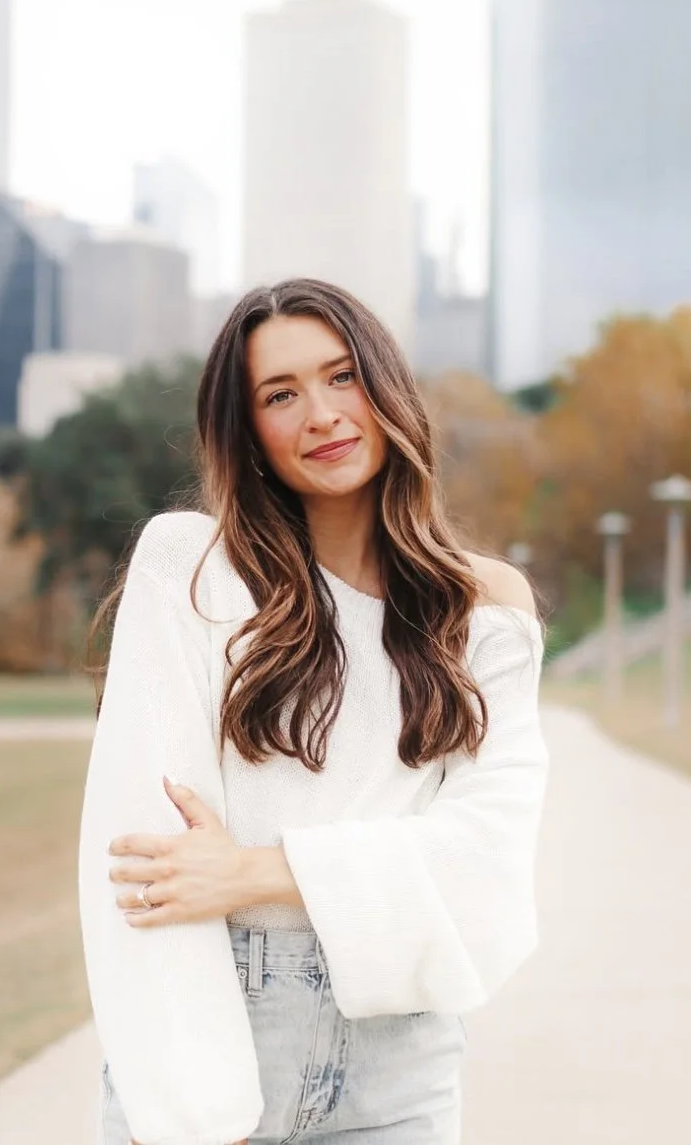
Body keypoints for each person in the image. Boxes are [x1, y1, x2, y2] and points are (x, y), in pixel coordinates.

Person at [78, 277, 549, 1145]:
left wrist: (256, 871)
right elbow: (145, 862)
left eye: (341, 378)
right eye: (280, 395)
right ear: (248, 431)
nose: (322, 414)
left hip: (399, 1064)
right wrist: (185, 1099)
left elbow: (488, 856)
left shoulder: (484, 604)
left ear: (387, 390)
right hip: (217, 1029)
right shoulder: (189, 570)